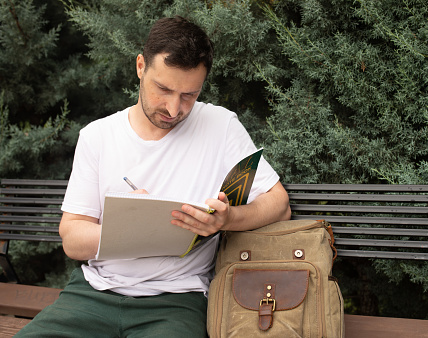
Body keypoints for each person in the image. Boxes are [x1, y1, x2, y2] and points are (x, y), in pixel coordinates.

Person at [16, 16, 291, 337]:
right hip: (93, 294)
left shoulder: (221, 126)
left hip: (177, 299)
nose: (174, 108)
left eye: (189, 95)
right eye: (163, 89)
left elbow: (279, 204)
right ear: (140, 66)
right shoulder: (98, 136)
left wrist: (226, 219)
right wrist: (125, 227)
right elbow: (73, 240)